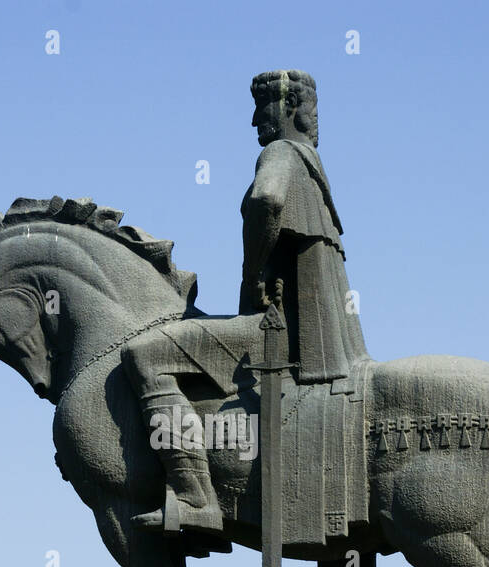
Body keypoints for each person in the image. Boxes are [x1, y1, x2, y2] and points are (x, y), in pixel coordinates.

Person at [120, 69, 370, 534]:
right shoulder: (314, 168)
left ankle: (195, 498)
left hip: (278, 327)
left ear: (290, 107)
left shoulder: (280, 154)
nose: (255, 119)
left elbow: (267, 200)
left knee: (145, 355)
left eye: (263, 106)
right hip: (310, 332)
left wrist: (252, 272)